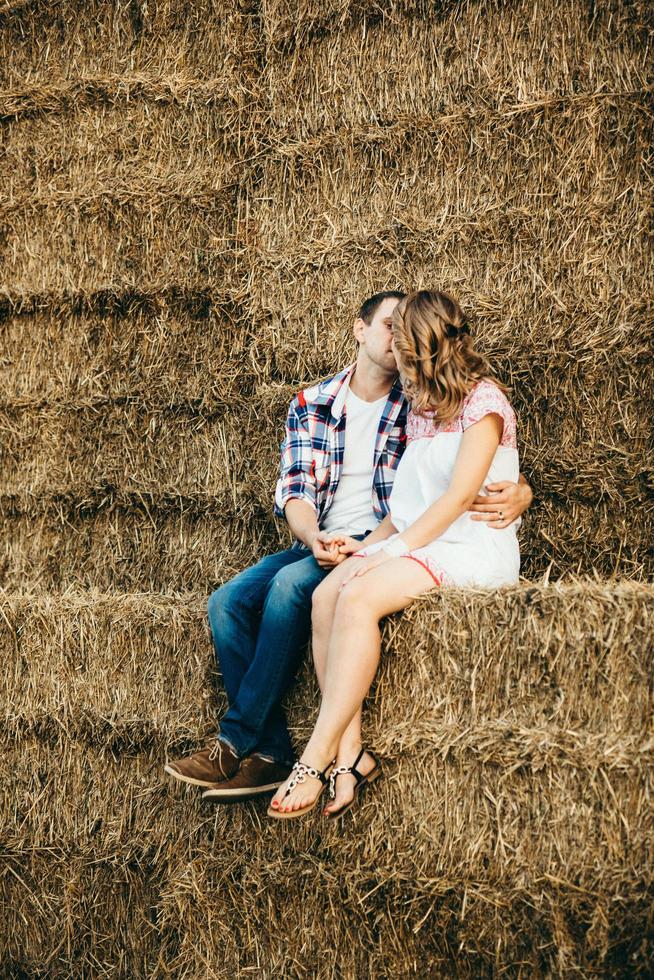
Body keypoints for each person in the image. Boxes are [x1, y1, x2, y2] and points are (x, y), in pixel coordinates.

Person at [165, 290, 532, 803]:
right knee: (229, 601)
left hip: (428, 541)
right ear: (359, 331)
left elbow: (460, 489)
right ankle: (281, 751)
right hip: (332, 538)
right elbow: (295, 490)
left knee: (299, 590)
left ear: (420, 347)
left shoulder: (421, 401)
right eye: (385, 327)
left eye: (401, 336)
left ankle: (278, 751)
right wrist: (316, 537)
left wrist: (523, 492)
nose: (393, 345)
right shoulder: (317, 403)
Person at [269, 289, 523, 820]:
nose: (395, 358)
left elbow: (456, 499)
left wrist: (392, 553)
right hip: (422, 539)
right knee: (327, 594)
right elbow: (406, 507)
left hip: (468, 546)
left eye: (401, 347)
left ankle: (315, 757)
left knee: (358, 598)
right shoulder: (423, 411)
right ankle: (349, 753)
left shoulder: (484, 403)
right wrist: (367, 547)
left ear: (420, 348)